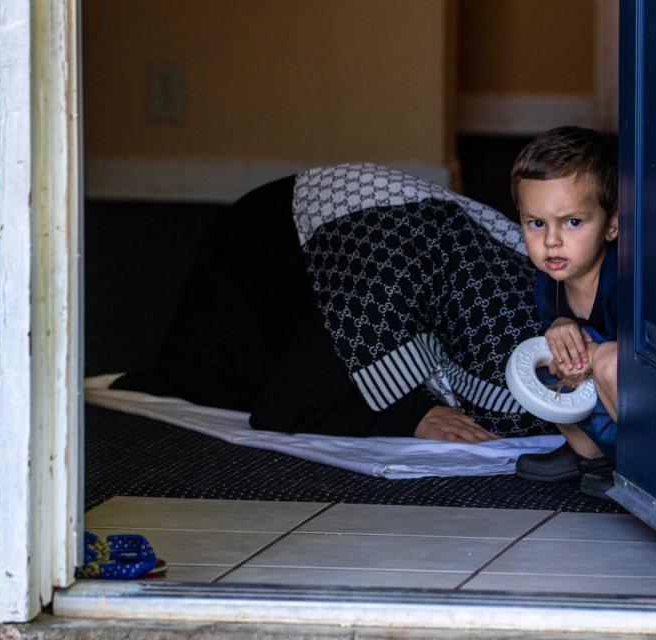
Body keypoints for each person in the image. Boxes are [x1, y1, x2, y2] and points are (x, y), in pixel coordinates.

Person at [112, 163, 553, 443]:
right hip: (260, 261)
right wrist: (409, 416)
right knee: (239, 381)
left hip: (378, 243)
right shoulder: (374, 304)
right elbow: (282, 406)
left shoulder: (530, 277)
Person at [510, 127, 620, 497]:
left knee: (610, 362)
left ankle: (643, 470)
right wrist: (560, 326)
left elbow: (637, 365)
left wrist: (586, 352)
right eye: (536, 223)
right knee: (540, 356)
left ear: (612, 224)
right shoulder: (548, 284)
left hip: (643, 422)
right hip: (600, 413)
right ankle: (591, 456)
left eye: (573, 222)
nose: (551, 240)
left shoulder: (623, 280)